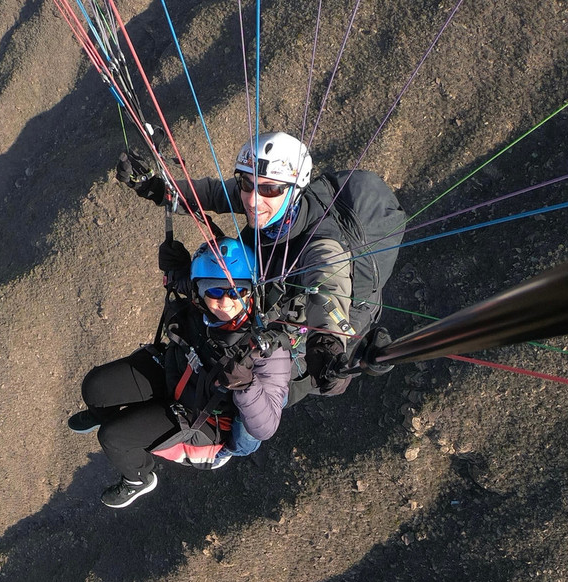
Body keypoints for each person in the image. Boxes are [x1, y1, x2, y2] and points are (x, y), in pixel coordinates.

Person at [118, 131, 405, 402]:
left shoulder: (322, 245)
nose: (254, 200)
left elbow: (327, 284)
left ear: (294, 191)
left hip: (311, 330)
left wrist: (326, 343)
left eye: (268, 189)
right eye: (246, 184)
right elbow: (212, 193)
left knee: (270, 387)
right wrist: (157, 188)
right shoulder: (269, 198)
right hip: (270, 281)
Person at [68, 238, 291, 508]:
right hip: (176, 373)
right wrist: (176, 269)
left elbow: (265, 427)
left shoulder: (268, 350)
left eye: (236, 291)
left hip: (201, 419)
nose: (226, 302)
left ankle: (138, 479)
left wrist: (247, 386)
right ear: (200, 292)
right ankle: (104, 410)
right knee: (95, 387)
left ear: (251, 291)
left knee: (113, 437)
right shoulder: (200, 301)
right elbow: (189, 280)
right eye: (214, 291)